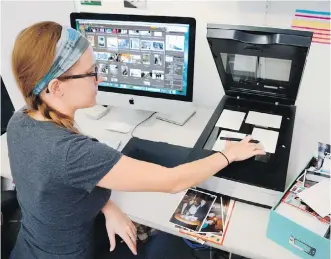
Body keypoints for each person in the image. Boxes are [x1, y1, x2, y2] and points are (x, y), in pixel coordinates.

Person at [7, 21, 265, 259]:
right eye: (91, 72)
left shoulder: (20, 121)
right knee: (172, 244)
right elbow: (173, 181)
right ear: (56, 87)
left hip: (28, 249)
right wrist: (228, 154)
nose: (101, 78)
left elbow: (57, 189)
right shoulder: (73, 153)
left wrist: (107, 205)